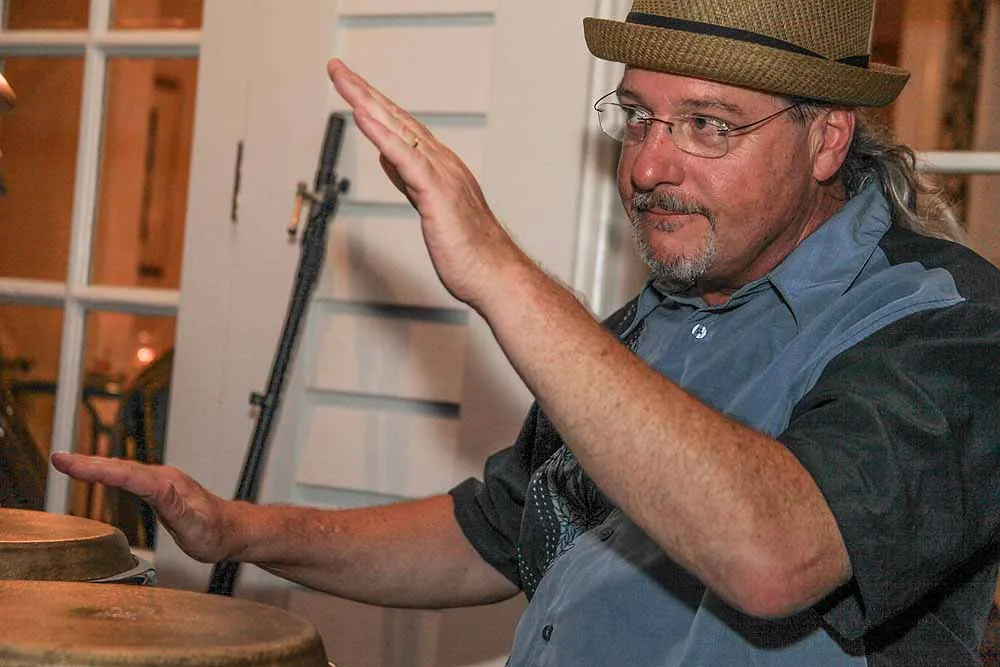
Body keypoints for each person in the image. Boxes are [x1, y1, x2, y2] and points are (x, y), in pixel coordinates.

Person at [52, 0, 1000, 664]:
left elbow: (776, 551)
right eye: (639, 116)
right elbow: (494, 531)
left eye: (708, 125)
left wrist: (496, 270)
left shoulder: (947, 324)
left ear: (828, 138)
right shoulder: (653, 323)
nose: (649, 166)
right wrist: (237, 528)